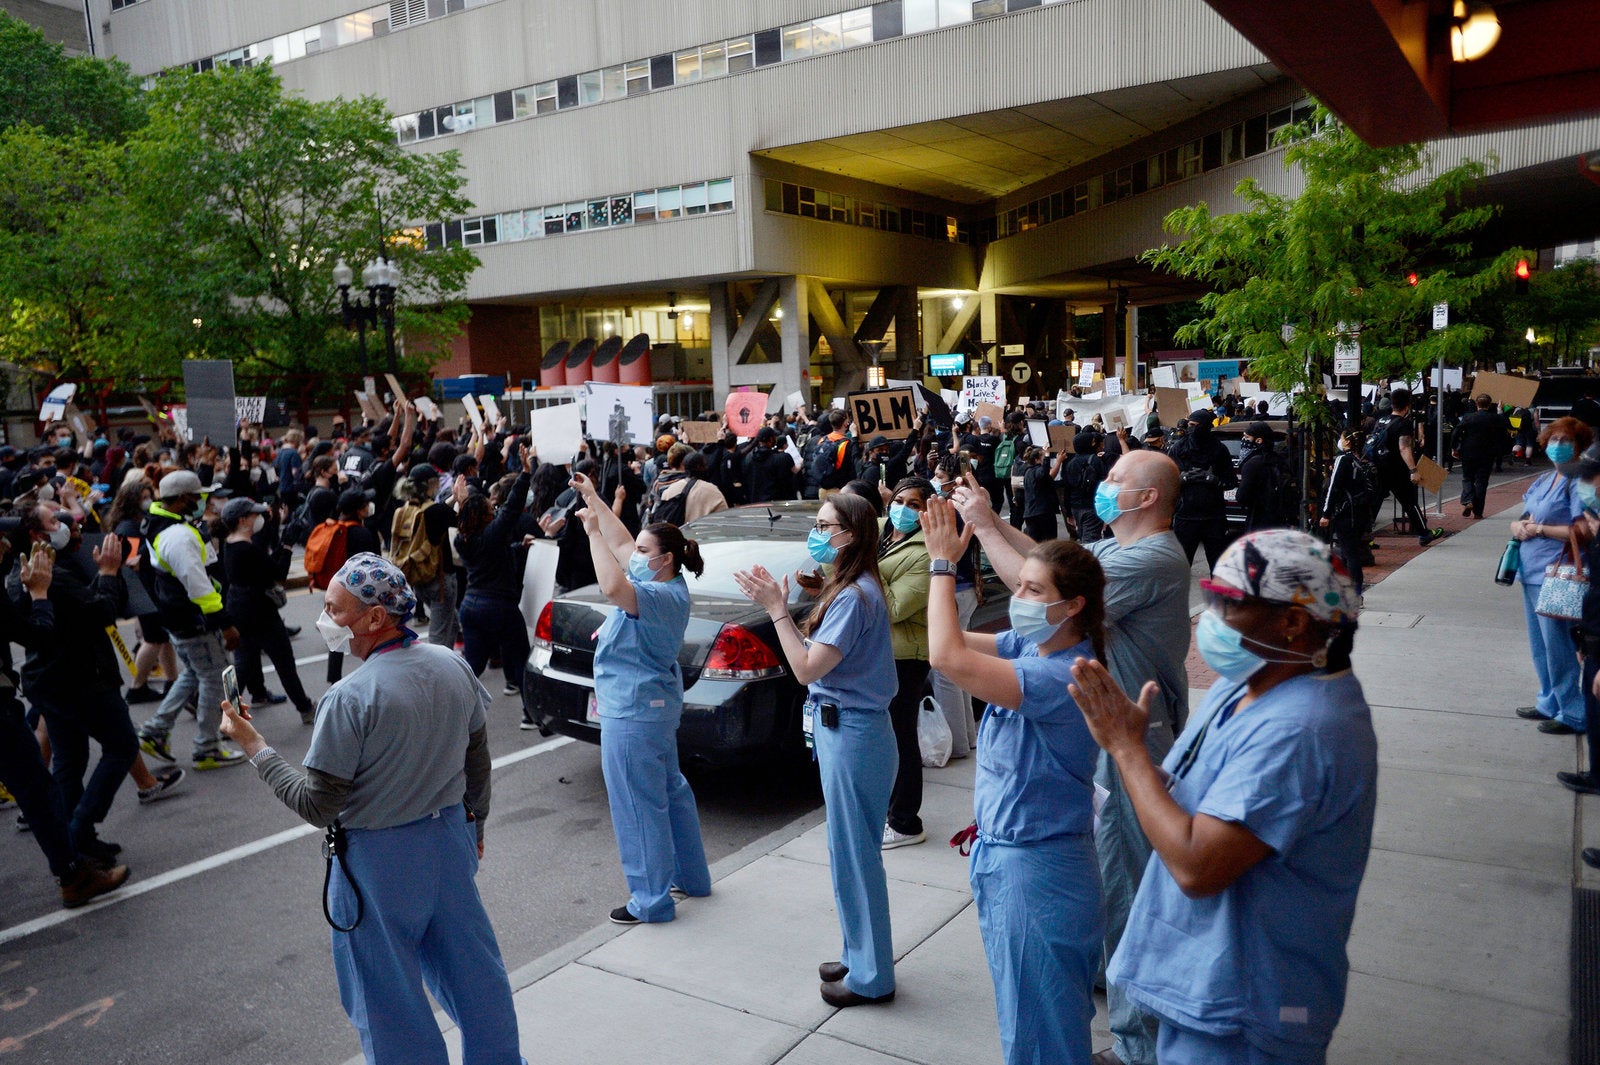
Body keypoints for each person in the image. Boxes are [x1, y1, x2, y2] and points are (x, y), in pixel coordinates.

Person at [1070, 528, 1376, 1065]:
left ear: (1293, 622)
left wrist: (1127, 752)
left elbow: (1197, 865)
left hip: (1247, 1006)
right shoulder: (1250, 683)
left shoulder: (1299, 729)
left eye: (1228, 604)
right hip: (1203, 983)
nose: (1209, 618)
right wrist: (1141, 757)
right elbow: (1191, 793)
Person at [219, 553, 524, 1065]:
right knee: (476, 979)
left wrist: (255, 746)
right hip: (449, 839)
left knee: (388, 1003)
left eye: (336, 610)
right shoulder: (452, 665)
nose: (327, 621)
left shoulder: (349, 697)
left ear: (375, 617)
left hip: (378, 861)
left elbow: (317, 804)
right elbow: (477, 758)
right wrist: (476, 823)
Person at [955, 451, 1189, 1065]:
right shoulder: (1115, 552)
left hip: (1129, 737)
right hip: (1102, 731)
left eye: (1117, 480)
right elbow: (1049, 567)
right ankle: (1094, 982)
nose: (1103, 485)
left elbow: (1039, 590)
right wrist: (989, 518)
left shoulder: (1152, 557)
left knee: (1131, 891)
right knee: (1110, 880)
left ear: (1147, 499)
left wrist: (981, 529)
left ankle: (1138, 1044)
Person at [922, 498, 1106, 1065]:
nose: (1018, 599)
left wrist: (940, 566)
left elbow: (947, 656)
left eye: (1032, 591)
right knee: (1032, 1017)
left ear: (1072, 606)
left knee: (1041, 1032)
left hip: (1039, 869)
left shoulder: (1061, 674)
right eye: (1018, 585)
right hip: (1013, 858)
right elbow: (956, 641)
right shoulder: (1036, 643)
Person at [735, 494, 898, 1007]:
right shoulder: (848, 587)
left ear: (850, 534)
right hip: (843, 730)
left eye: (826, 525)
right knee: (847, 854)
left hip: (855, 732)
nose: (818, 532)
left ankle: (872, 977)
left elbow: (806, 668)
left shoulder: (855, 595)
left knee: (856, 857)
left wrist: (777, 612)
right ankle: (859, 953)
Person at [568, 472, 712, 924]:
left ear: (665, 560)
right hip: (651, 709)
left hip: (633, 712)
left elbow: (613, 585)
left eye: (646, 553)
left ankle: (650, 900)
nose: (634, 556)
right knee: (669, 791)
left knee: (637, 805)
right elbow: (626, 542)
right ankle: (691, 878)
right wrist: (593, 496)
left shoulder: (654, 596)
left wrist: (591, 532)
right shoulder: (666, 582)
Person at [0, 534, 132, 906]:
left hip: (46, 684)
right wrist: (106, 573)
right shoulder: (40, 579)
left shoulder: (17, 578)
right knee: (116, 748)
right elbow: (52, 628)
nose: (5, 542)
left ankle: (78, 844)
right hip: (75, 680)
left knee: (69, 759)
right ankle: (74, 863)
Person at [136, 470, 247, 770]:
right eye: (198, 496)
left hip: (176, 617)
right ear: (184, 499)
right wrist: (224, 622)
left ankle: (155, 731)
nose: (203, 501)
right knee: (216, 677)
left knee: (196, 673)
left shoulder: (159, 523)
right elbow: (198, 584)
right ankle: (207, 747)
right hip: (194, 620)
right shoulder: (179, 535)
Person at [1510, 415, 1593, 735]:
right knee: (1540, 645)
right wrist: (1517, 527)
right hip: (1530, 571)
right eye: (1554, 440)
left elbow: (1582, 530)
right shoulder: (1545, 480)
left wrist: (1541, 529)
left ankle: (1573, 712)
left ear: (1578, 446)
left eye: (1565, 441)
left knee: (1558, 647)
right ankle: (1549, 700)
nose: (1558, 446)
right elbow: (1524, 516)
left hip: (1557, 574)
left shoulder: (1578, 482)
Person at [221, 497, 317, 724]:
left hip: (239, 607)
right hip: (260, 611)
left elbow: (263, 561)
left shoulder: (231, 543)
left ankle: (228, 714)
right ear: (243, 520)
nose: (259, 518)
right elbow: (277, 573)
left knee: (242, 665)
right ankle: (305, 707)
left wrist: (276, 528)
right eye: (255, 515)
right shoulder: (246, 549)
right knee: (284, 661)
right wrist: (286, 545)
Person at [455, 447, 533, 698]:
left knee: (473, 666)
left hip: (471, 605)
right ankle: (530, 716)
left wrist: (463, 502)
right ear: (486, 515)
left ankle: (454, 703)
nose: (493, 510)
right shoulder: (491, 534)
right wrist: (525, 473)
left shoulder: (462, 539)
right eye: (489, 509)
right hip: (499, 606)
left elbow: (488, 553)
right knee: (521, 658)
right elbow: (511, 510)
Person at [1372, 388, 1446, 545]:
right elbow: (1404, 447)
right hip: (1395, 469)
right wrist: (1413, 470)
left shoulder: (1382, 420)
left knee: (1374, 502)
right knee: (1409, 502)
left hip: (1378, 467)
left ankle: (1362, 536)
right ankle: (1424, 533)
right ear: (1407, 406)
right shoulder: (1403, 423)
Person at [1164, 411, 1237, 569]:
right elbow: (1166, 479)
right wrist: (1183, 478)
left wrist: (1214, 481)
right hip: (1186, 516)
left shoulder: (1219, 450)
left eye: (1195, 426)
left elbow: (1230, 481)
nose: (1192, 429)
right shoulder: (1179, 448)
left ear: (1205, 427)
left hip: (1213, 517)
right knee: (1181, 566)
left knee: (1218, 566)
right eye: (1190, 425)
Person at [1319, 428, 1373, 596]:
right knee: (1351, 552)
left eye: (1342, 438)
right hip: (1360, 512)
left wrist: (1326, 513)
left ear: (1347, 441)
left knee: (1349, 553)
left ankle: (1354, 592)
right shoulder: (1363, 461)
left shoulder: (1343, 459)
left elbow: (1333, 488)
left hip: (1344, 514)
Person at [1452, 393, 1506, 519]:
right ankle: (1478, 512)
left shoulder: (1468, 417)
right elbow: (1505, 425)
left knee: (1467, 478)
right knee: (1482, 481)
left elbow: (1456, 432)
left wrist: (1455, 447)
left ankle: (1468, 499)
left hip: (1468, 451)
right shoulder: (1495, 418)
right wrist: (1500, 410)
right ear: (1489, 404)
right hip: (1487, 453)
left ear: (1477, 404)